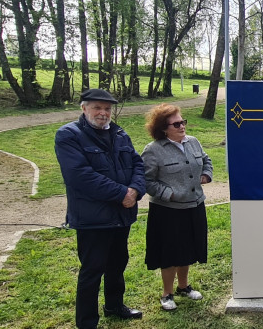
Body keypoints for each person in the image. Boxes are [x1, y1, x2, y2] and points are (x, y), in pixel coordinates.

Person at [54, 89, 145, 329]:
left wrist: (135, 190)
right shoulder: (68, 135)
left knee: (118, 264)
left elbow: (137, 163)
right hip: (93, 219)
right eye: (97, 107)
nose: (103, 113)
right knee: (92, 270)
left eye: (107, 109)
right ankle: (87, 323)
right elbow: (79, 176)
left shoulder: (120, 133)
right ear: (83, 108)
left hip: (121, 215)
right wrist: (122, 194)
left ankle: (114, 306)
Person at [141, 104, 212, 311]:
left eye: (183, 122)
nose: (182, 126)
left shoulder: (193, 142)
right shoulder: (153, 150)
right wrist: (169, 194)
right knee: (170, 252)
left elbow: (206, 160)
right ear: (164, 128)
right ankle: (167, 293)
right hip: (168, 211)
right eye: (176, 124)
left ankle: (183, 287)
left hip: (194, 205)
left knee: (188, 248)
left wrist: (206, 174)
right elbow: (146, 181)